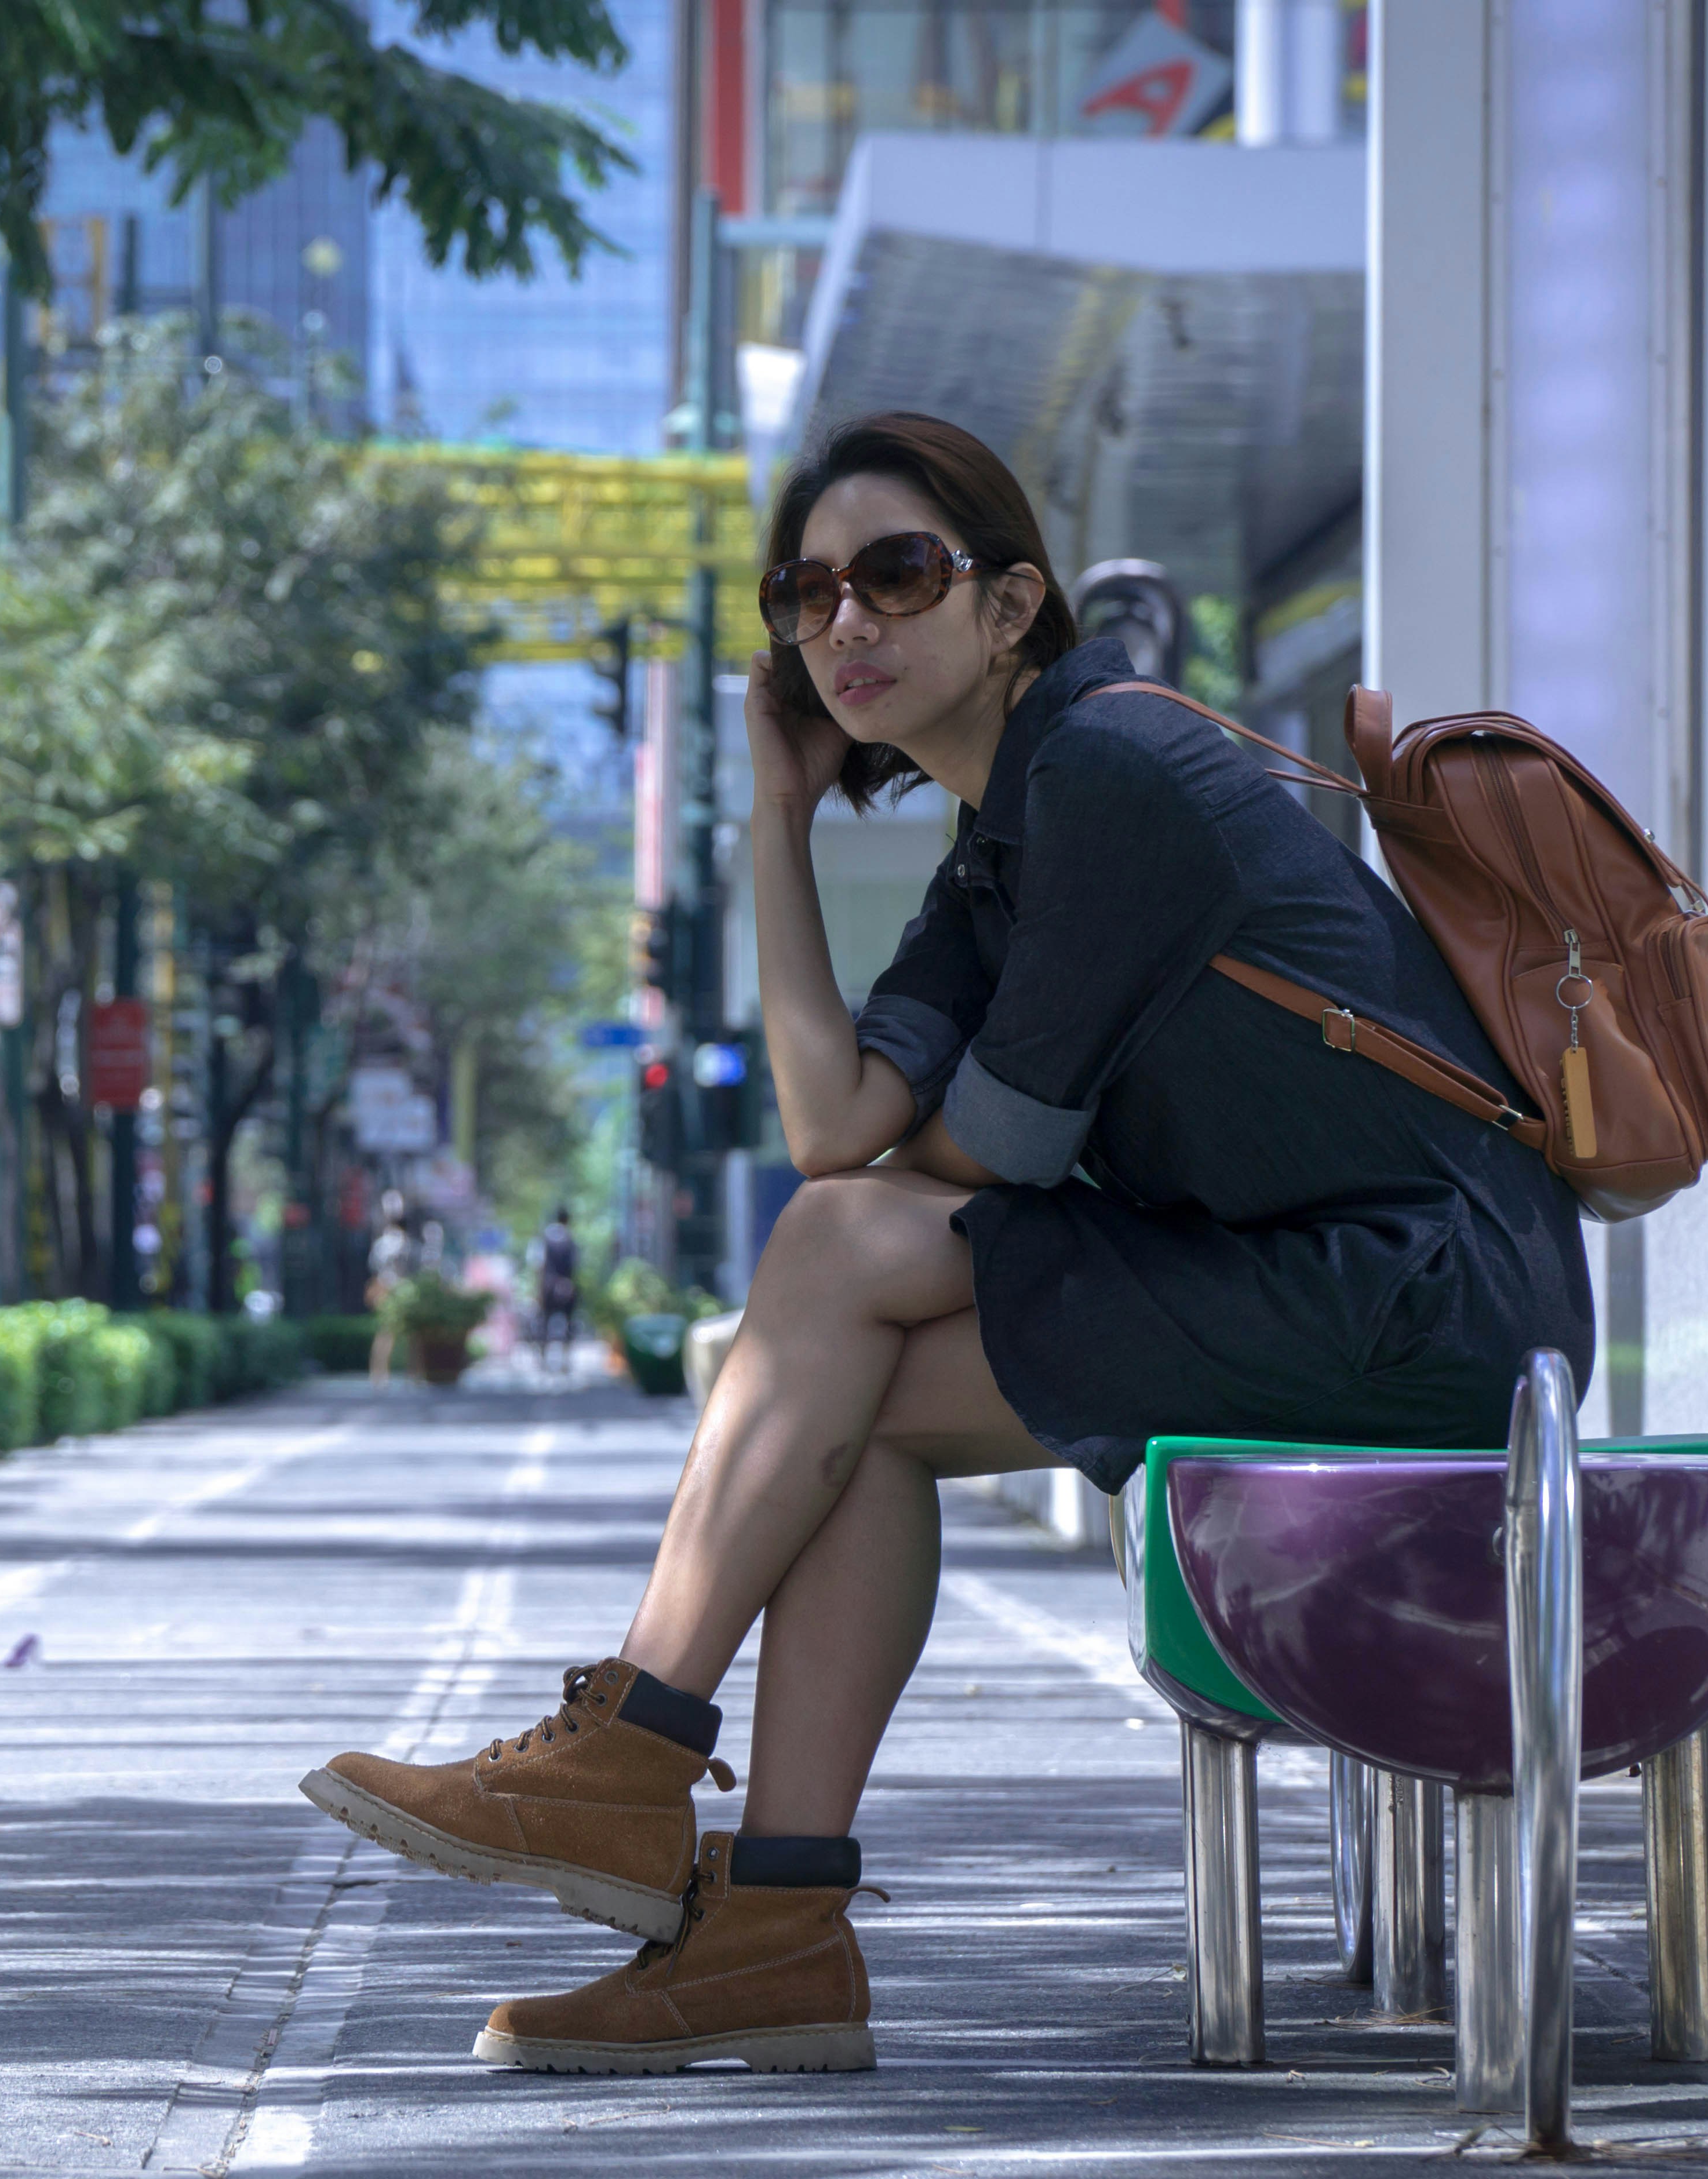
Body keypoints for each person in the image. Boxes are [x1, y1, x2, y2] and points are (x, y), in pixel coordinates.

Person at [300, 412, 1593, 2075]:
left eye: (898, 574)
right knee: (864, 1411)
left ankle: (635, 1754)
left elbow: (968, 1155)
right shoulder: (1000, 844)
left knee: (842, 1267)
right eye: (806, 594)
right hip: (1306, 1289)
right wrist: (774, 819)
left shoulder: (1114, 773)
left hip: (1434, 1300)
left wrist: (879, 1185)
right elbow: (834, 1124)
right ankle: (772, 1924)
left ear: (1010, 607)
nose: (847, 623)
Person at [366, 1191, 416, 1386]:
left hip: (401, 1288)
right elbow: (376, 1267)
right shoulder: (386, 1242)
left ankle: (413, 1374)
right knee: (387, 1332)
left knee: (410, 1332)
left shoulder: (403, 1241)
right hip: (388, 1288)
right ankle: (379, 1374)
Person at [533, 1206, 581, 1372]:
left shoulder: (546, 1237)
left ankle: (544, 1359)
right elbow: (576, 1263)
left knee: (544, 1320)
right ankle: (566, 1360)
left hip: (548, 1283)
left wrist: (538, 1287)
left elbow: (539, 1262)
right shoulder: (570, 1238)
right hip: (566, 1283)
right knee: (569, 1321)